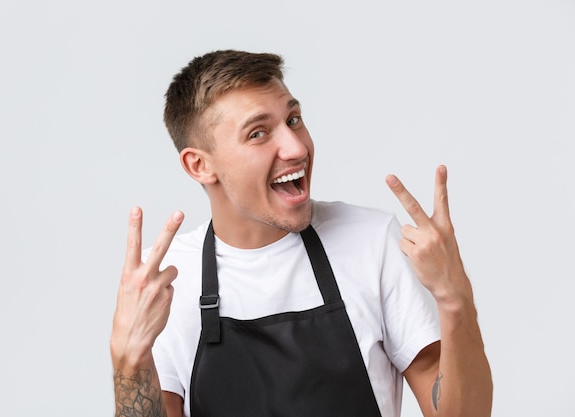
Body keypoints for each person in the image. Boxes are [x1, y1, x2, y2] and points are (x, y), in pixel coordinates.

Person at [110, 50, 493, 417]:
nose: (296, 148)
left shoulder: (371, 241)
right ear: (199, 165)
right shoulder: (168, 279)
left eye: (293, 120)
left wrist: (455, 297)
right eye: (258, 134)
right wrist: (129, 362)